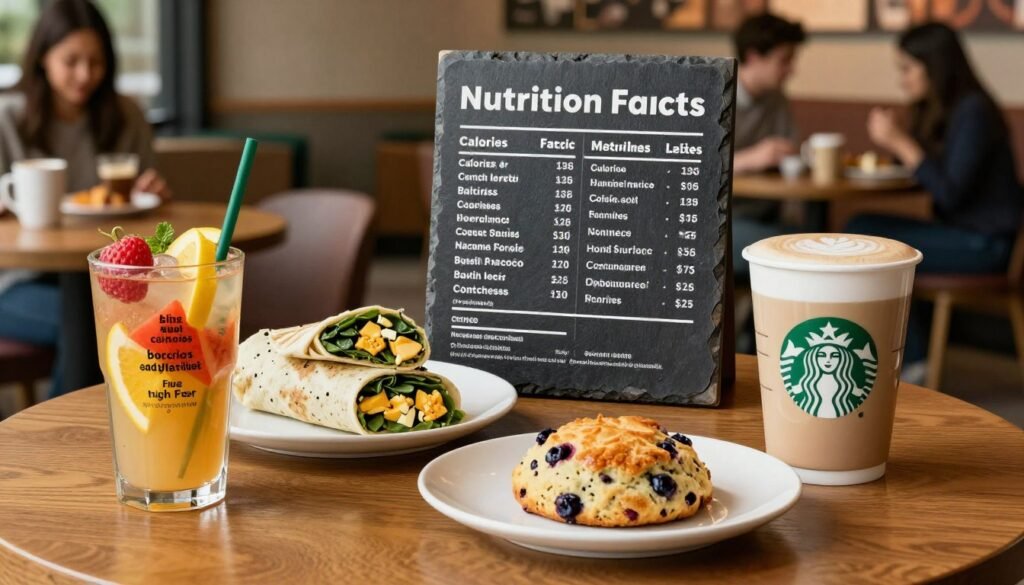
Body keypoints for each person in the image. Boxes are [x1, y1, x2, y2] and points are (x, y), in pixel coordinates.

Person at [0, 0, 170, 397]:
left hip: (100, 275)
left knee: (104, 311)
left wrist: (153, 193)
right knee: (90, 320)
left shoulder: (125, 115)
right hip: (13, 280)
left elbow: (142, 211)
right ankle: (71, 444)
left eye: (96, 62)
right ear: (43, 58)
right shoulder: (8, 116)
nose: (84, 74)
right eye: (71, 60)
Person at [848, 22, 1024, 378]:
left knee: (877, 244)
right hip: (964, 235)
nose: (903, 79)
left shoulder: (974, 111)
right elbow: (932, 172)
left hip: (986, 245)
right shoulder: (947, 111)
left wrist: (900, 142)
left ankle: (913, 360)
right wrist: (903, 144)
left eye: (908, 68)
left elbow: (949, 193)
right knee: (861, 227)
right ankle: (909, 354)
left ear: (935, 66)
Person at [730, 12, 807, 277]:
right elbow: (694, 165)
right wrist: (751, 158)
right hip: (725, 220)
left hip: (768, 212)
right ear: (753, 56)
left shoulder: (777, 100)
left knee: (812, 238)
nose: (792, 70)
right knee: (794, 251)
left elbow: (792, 151)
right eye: (784, 60)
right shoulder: (712, 97)